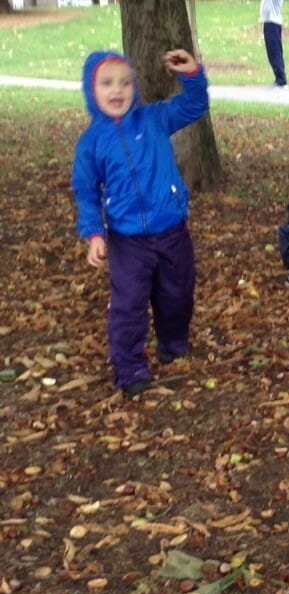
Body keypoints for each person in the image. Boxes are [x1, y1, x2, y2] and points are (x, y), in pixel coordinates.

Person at [71, 48, 209, 399]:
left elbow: (193, 106)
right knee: (129, 304)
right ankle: (130, 367)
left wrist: (192, 75)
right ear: (91, 90)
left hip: (172, 230)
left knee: (177, 292)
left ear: (135, 87)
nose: (117, 91)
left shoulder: (154, 119)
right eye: (106, 83)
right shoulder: (91, 143)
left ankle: (172, 343)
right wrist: (94, 233)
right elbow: (86, 192)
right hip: (127, 241)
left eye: (125, 83)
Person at [260, 0, 287, 88]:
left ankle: (281, 80)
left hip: (272, 22)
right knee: (274, 52)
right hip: (270, 21)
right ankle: (279, 78)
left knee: (274, 52)